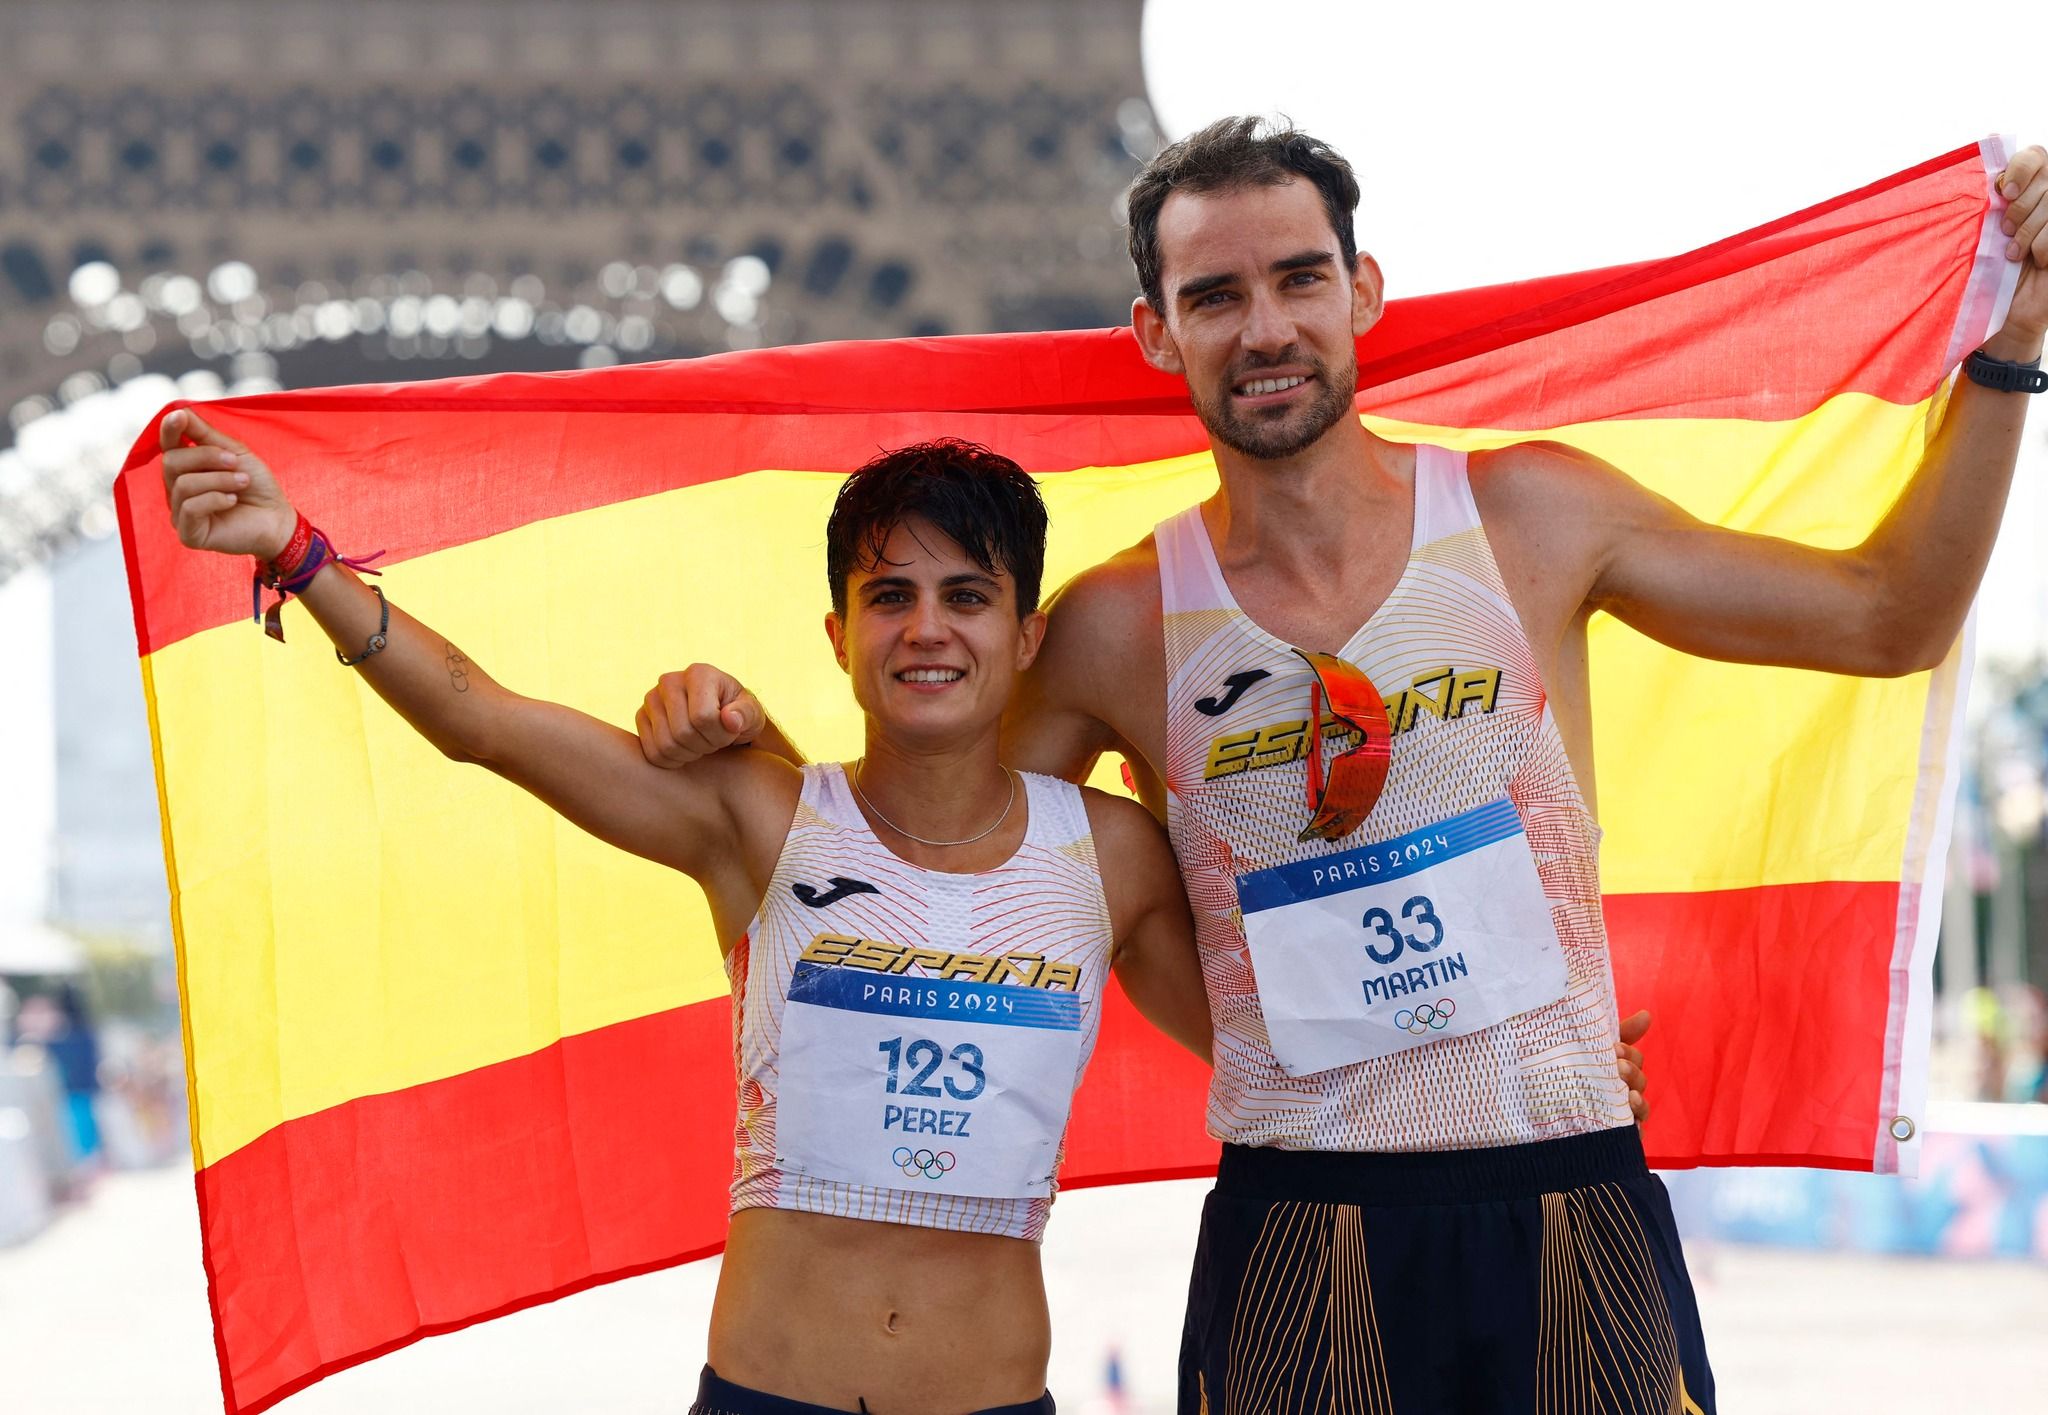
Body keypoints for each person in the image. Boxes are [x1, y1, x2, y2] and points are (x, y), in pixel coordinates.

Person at [634, 118, 2048, 1414]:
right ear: (1153, 329)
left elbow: (1890, 615)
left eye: (1298, 279)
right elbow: (925, 846)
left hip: (1569, 1199)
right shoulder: (1122, 627)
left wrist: (2009, 348)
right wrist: (740, 752)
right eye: (1215, 297)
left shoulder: (1533, 515)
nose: (1266, 328)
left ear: (1365, 291)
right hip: (1300, 1233)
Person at [157, 420, 1216, 1415]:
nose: (926, 628)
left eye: (966, 596)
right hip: (768, 1389)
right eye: (889, 595)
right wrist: (298, 556)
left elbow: (1255, 1047)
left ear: (1028, 635)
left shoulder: (1111, 852)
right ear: (840, 635)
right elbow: (478, 719)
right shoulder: (756, 817)